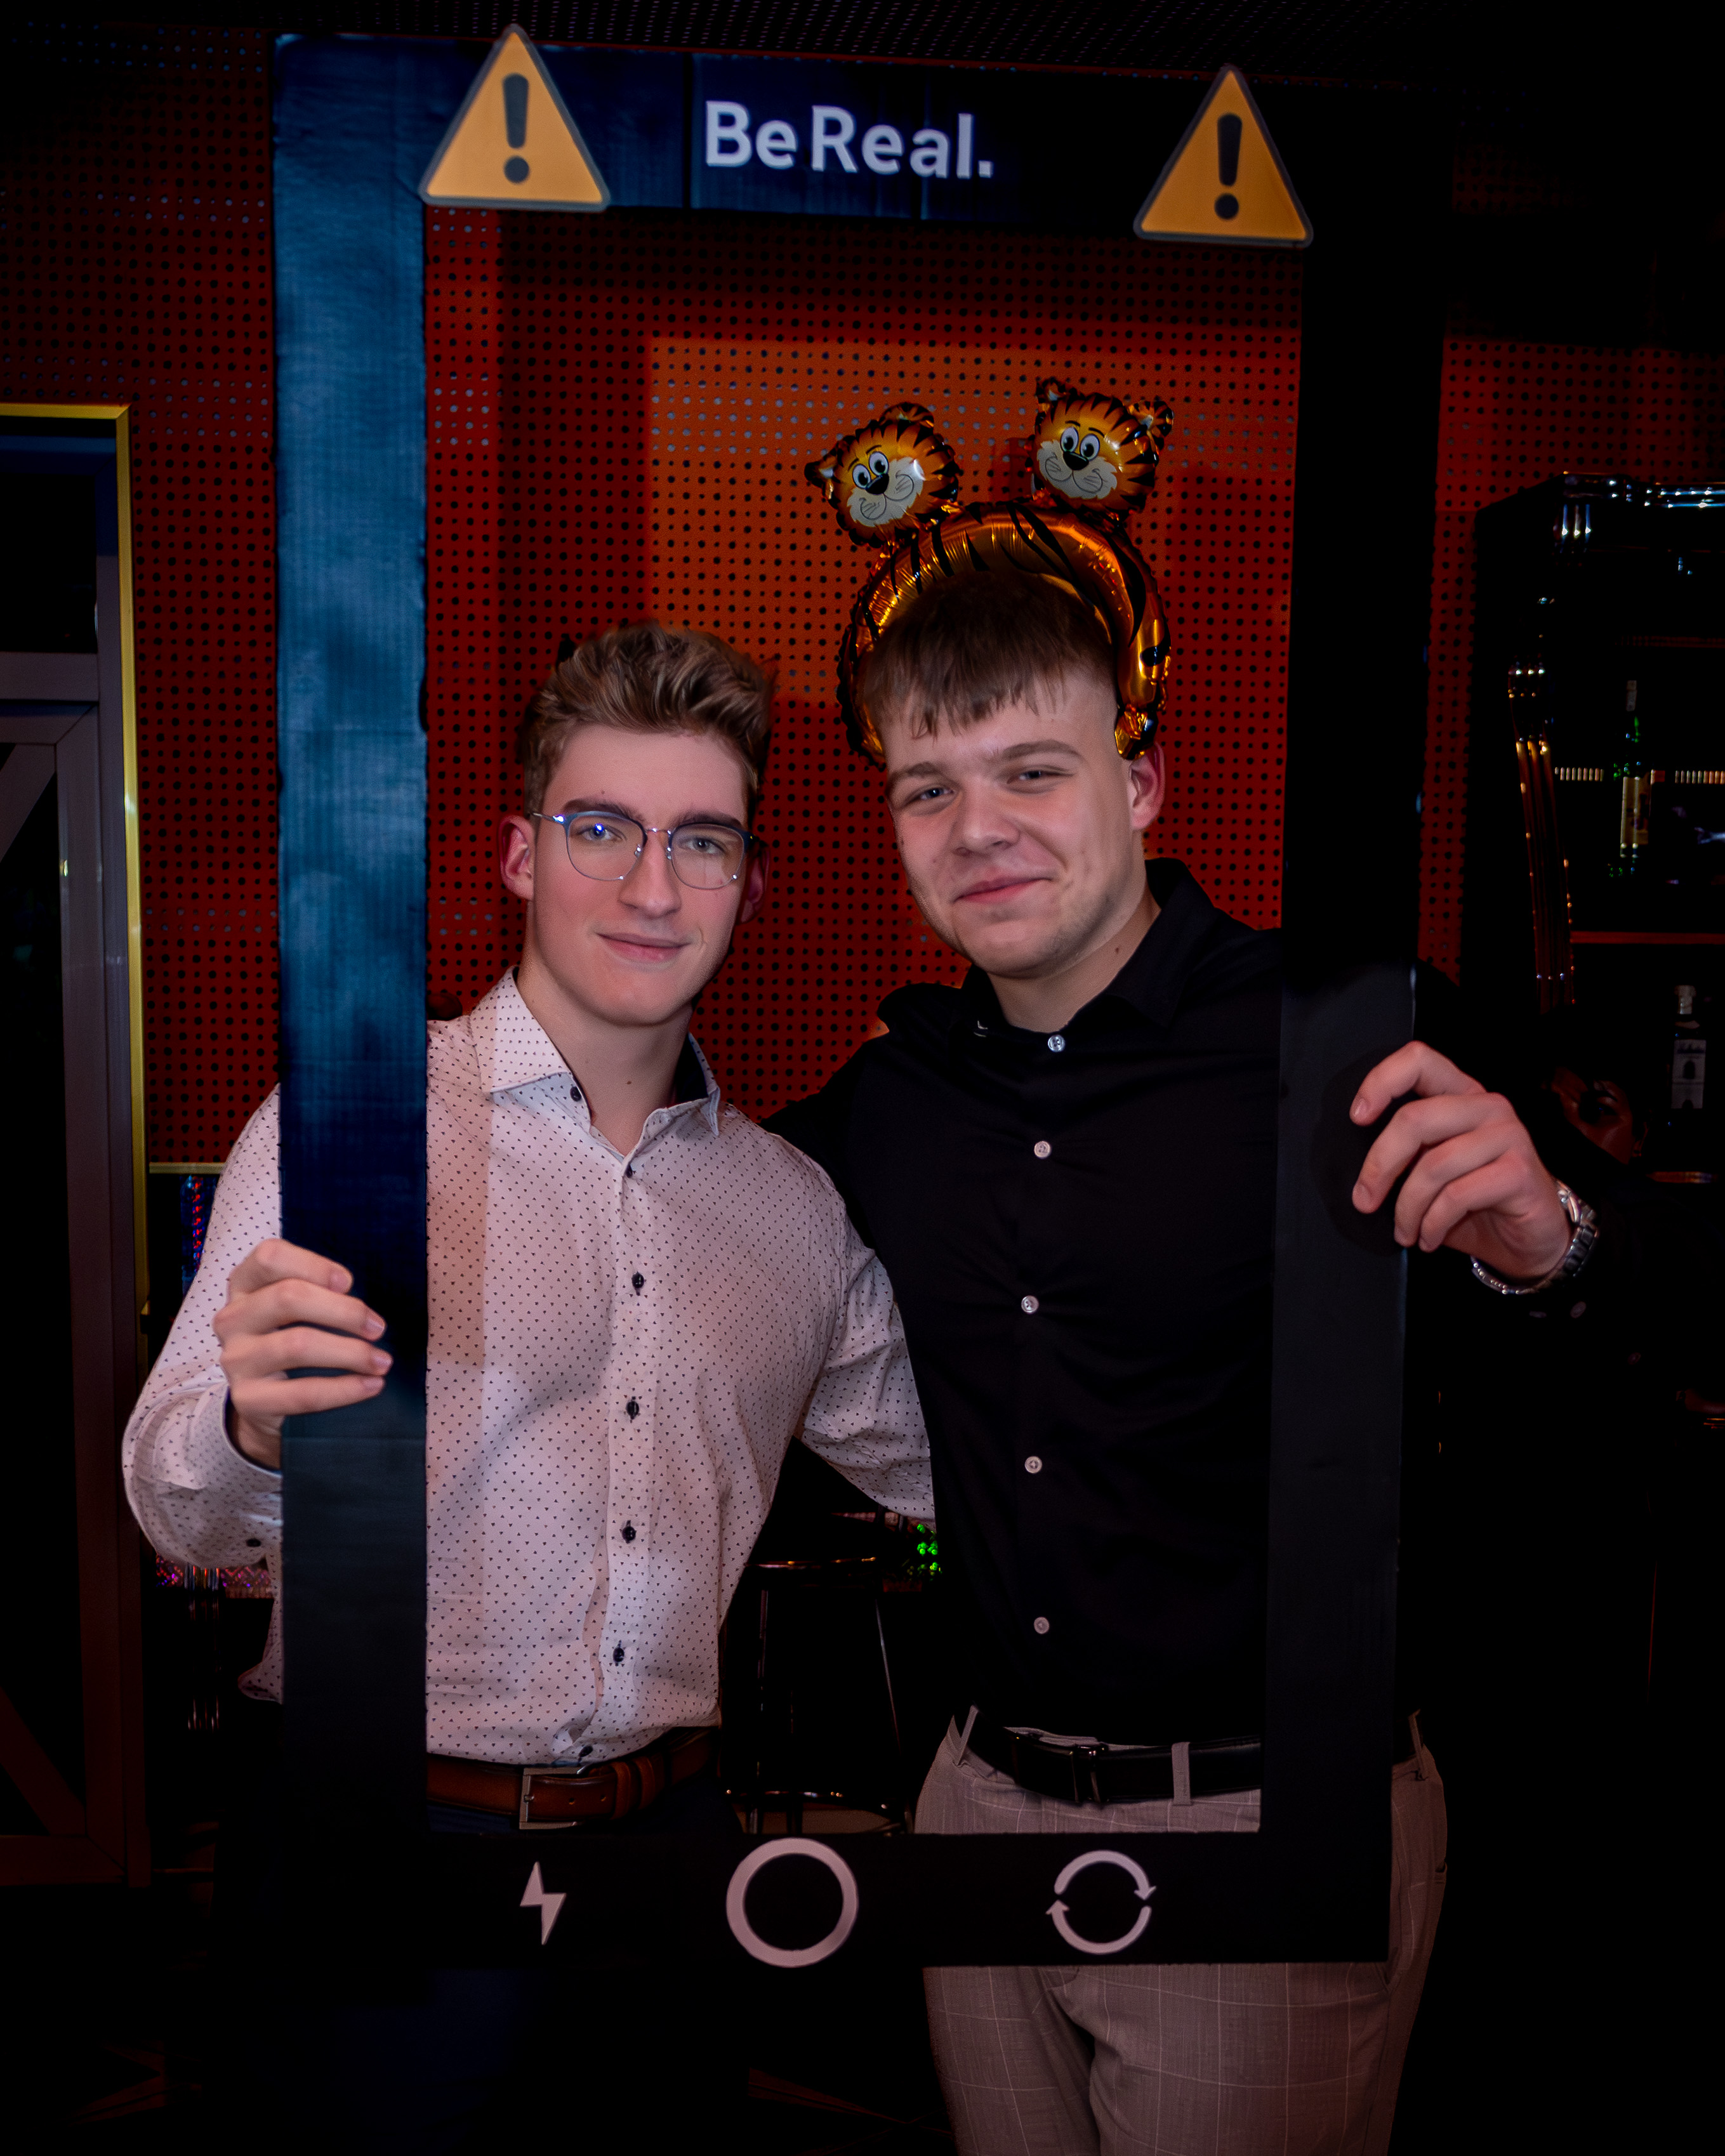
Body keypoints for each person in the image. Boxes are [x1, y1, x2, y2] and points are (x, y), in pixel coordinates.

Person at [767, 567, 1600, 2156]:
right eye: (928, 788)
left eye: (1032, 770)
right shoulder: (895, 1098)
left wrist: (1550, 1242)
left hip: (1261, 1820)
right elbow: (681, 1229)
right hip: (978, 1803)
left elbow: (1651, 1300)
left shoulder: (1344, 1034)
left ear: (1140, 780)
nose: (978, 828)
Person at [122, 624, 932, 2150]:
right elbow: (178, 1501)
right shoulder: (350, 1127)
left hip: (670, 1870)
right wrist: (248, 1428)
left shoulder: (795, 1212)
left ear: (752, 884)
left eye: (702, 841)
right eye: (601, 828)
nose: (652, 886)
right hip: (375, 1842)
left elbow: (968, 1472)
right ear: (518, 853)